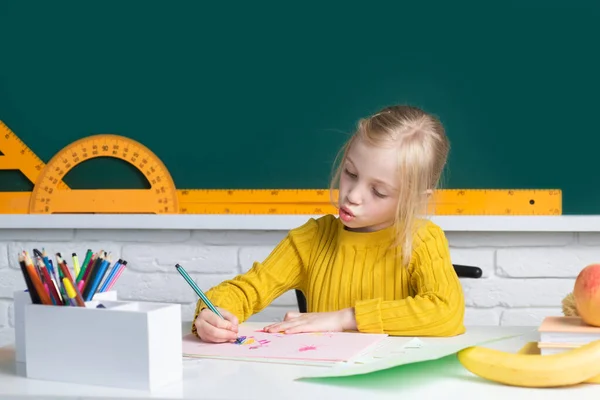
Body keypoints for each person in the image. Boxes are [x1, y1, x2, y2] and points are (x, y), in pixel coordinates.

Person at [192, 104, 466, 343]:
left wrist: (346, 318)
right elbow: (246, 290)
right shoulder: (312, 239)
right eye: (350, 173)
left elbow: (446, 312)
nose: (353, 195)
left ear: (414, 199)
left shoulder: (423, 240)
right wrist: (211, 315)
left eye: (378, 191)